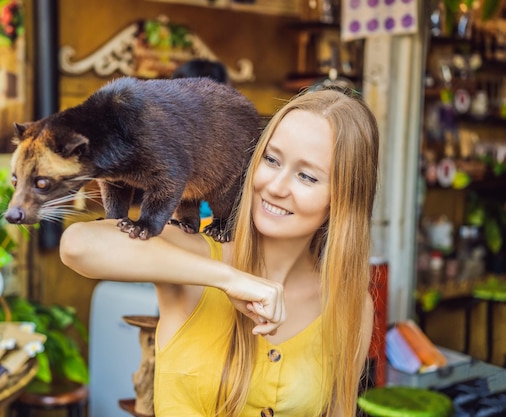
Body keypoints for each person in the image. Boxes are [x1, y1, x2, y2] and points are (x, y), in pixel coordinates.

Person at [60, 87, 379, 417]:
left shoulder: (350, 304)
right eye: (271, 160)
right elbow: (78, 246)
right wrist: (229, 278)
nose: (275, 187)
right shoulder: (194, 255)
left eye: (307, 176)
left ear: (341, 199)